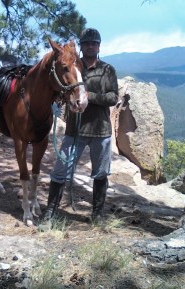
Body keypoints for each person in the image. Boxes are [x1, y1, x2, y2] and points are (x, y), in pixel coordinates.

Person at [43, 28, 119, 224]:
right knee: (60, 171)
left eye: (94, 43)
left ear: (99, 46)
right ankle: (50, 213)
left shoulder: (107, 70)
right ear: (82, 46)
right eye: (86, 43)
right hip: (74, 129)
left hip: (100, 130)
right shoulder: (73, 65)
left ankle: (98, 214)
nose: (90, 46)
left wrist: (88, 97)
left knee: (100, 173)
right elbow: (63, 87)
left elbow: (113, 97)